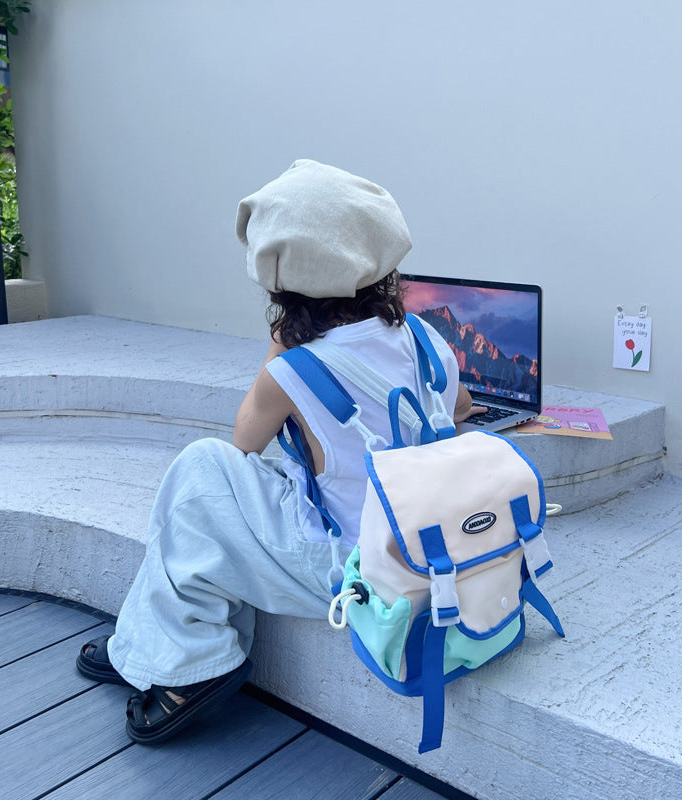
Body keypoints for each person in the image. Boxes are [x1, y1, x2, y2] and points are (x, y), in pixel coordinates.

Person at [76, 159, 484, 744]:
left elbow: (244, 443)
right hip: (427, 548)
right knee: (229, 493)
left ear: (283, 285)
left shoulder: (292, 371)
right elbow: (461, 405)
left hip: (353, 570)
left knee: (200, 471)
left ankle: (187, 665)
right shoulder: (425, 339)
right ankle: (142, 645)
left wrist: (283, 341)